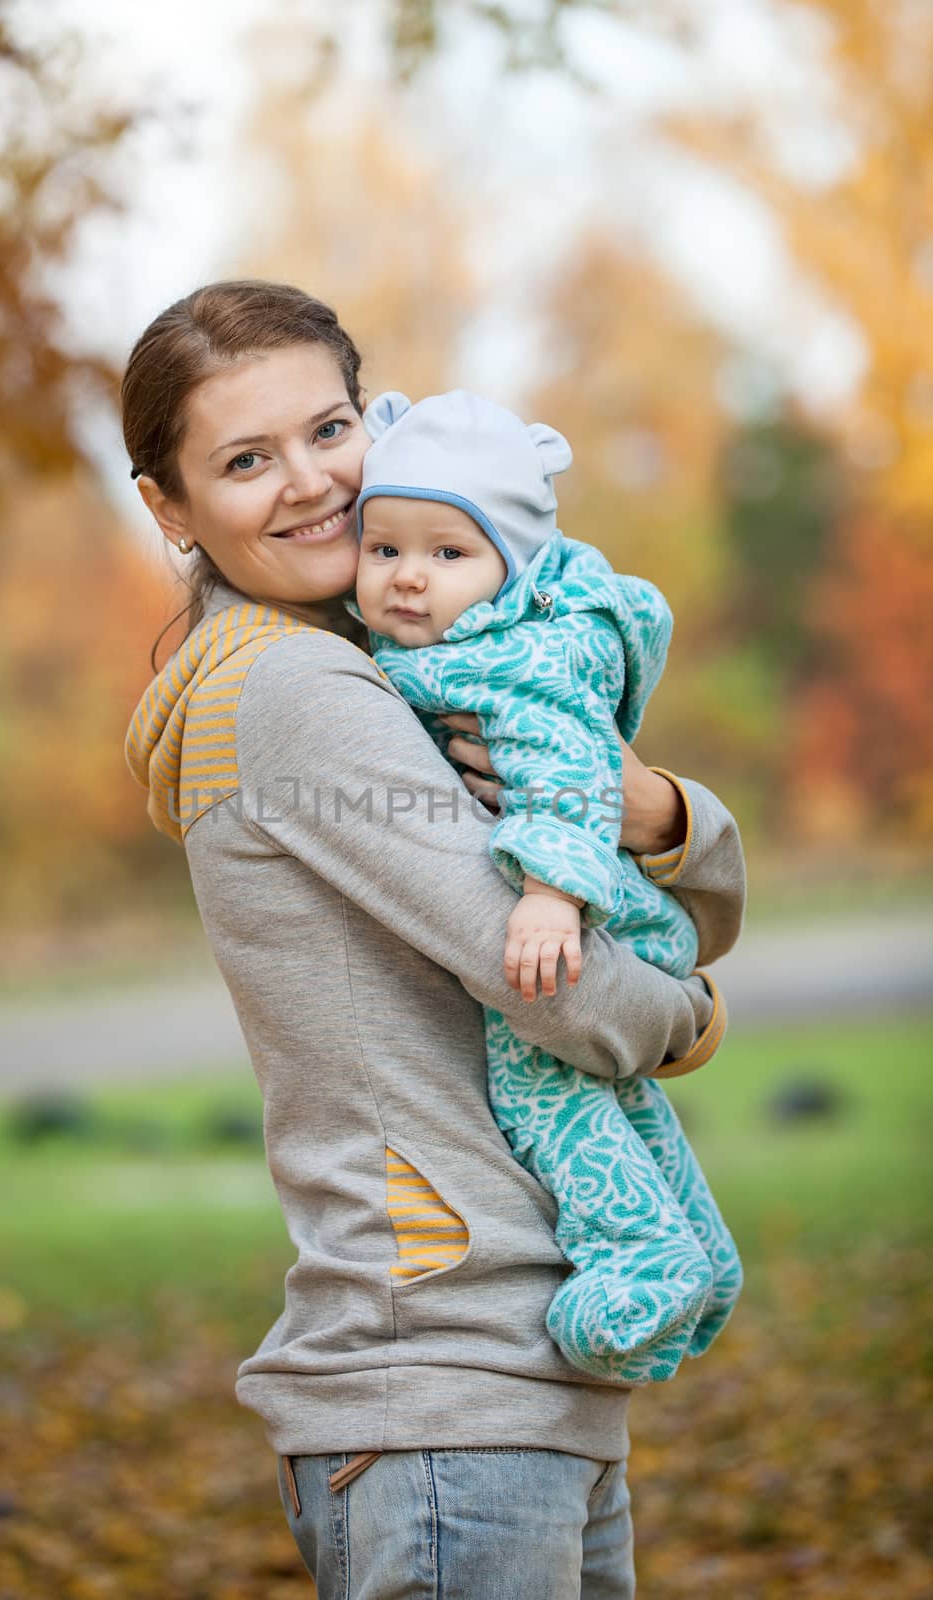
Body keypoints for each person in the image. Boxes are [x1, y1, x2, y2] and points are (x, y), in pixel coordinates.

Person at [122, 279, 746, 1599]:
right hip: (436, 1387)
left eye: (328, 430)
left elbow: (652, 893)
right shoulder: (295, 688)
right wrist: (690, 1013)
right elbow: (564, 992)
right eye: (244, 461)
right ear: (169, 508)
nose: (309, 486)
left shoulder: (428, 658)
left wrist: (660, 813)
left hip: (511, 1383)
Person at [352, 387, 743, 1388]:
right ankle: (697, 1250)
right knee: (618, 1101)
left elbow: (569, 766)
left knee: (541, 1091)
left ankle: (641, 1262)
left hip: (580, 908)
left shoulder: (504, 658)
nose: (405, 580)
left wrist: (548, 895)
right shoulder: (496, 632)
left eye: (447, 554)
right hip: (627, 913)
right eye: (383, 548)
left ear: (508, 568)